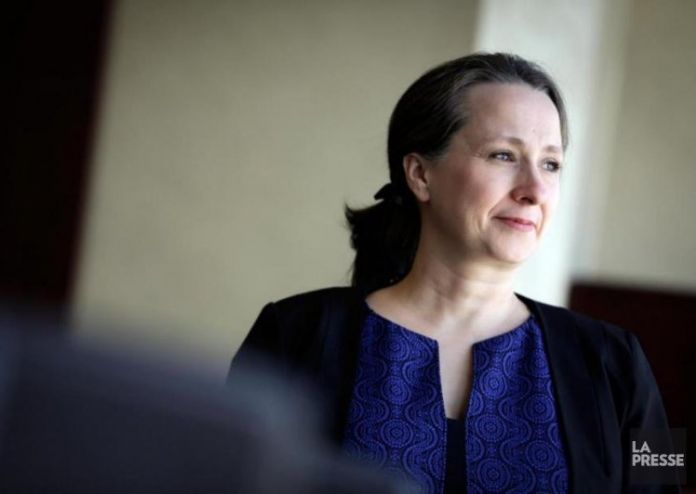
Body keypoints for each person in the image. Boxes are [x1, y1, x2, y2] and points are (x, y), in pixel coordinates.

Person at [228, 53, 674, 493]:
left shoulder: (619, 360)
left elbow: (666, 476)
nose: (535, 190)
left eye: (551, 164)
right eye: (503, 155)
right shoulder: (291, 334)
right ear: (420, 175)